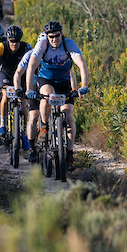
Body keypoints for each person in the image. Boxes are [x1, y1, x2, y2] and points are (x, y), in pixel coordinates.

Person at [24, 20, 88, 165]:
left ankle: (70, 154)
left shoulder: (68, 44)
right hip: (46, 80)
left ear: (62, 34)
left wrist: (84, 85)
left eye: (57, 36)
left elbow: (81, 64)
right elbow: (31, 66)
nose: (54, 39)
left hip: (64, 82)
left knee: (69, 115)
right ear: (46, 36)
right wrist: (29, 89)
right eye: (51, 36)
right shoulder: (42, 45)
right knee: (47, 94)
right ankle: (45, 127)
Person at [0, 24, 32, 141]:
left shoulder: (26, 48)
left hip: (21, 77)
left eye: (17, 41)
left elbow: (35, 63)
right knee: (4, 95)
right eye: (12, 41)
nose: (15, 44)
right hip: (5, 74)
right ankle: (3, 124)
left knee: (23, 102)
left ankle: (24, 131)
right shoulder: (1, 47)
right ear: (8, 39)